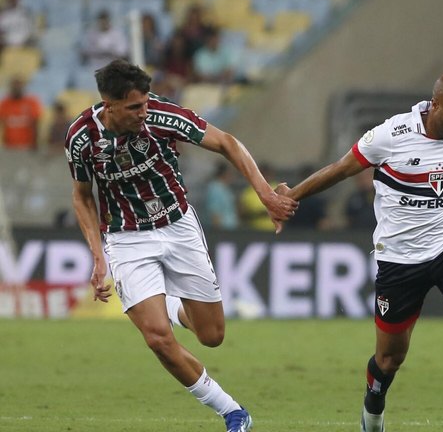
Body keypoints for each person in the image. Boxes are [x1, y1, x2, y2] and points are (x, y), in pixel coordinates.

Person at [277, 72, 443, 431]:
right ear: (436, 105)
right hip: (399, 261)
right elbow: (341, 169)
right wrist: (291, 197)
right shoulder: (391, 136)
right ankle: (373, 408)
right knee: (389, 359)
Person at [65, 59, 297, 432]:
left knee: (212, 336)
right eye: (134, 107)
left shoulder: (163, 115)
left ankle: (169, 305)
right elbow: (82, 196)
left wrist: (265, 194)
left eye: (145, 103)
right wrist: (97, 255)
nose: (144, 112)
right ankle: (233, 412)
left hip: (177, 226)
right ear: (109, 106)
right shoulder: (81, 137)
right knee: (157, 339)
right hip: (126, 238)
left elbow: (227, 143)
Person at [0, 76, 43, 150]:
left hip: (27, 146)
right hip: (9, 146)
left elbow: (36, 124)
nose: (16, 88)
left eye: (19, 86)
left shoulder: (32, 102)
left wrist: (34, 144)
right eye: (14, 86)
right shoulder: (5, 103)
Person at [205, 161, 239, 230]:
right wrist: (219, 232)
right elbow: (214, 212)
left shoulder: (225, 188)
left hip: (231, 229)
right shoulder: (215, 189)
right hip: (223, 230)